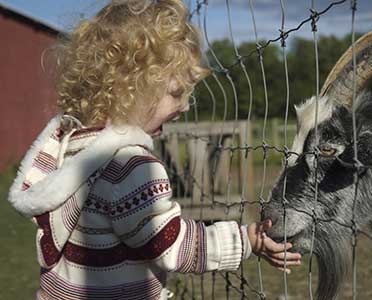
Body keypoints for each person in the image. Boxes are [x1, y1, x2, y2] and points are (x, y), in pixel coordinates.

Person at [7, 0, 301, 299]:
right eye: (176, 93)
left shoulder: (70, 144)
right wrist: (246, 240)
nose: (185, 106)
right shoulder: (130, 166)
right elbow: (170, 245)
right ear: (129, 85)